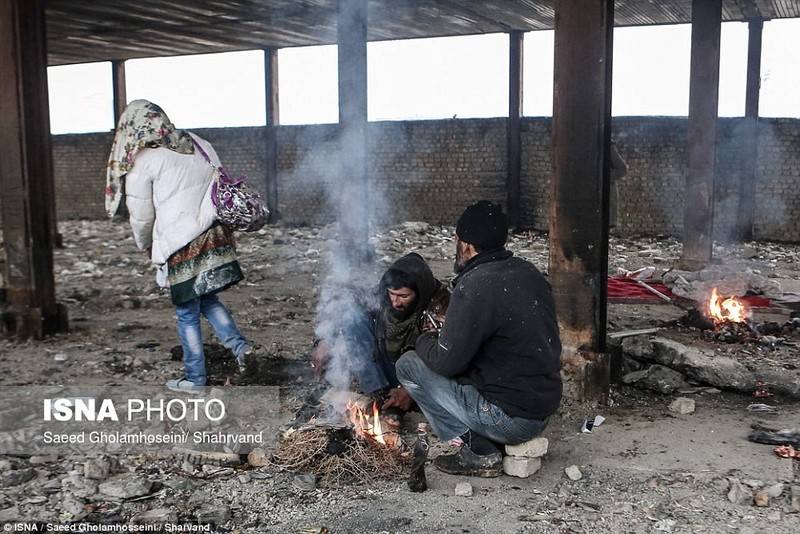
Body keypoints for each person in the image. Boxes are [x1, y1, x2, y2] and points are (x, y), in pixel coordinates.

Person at [396, 200, 562, 477]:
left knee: (409, 364)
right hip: (542, 407)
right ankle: (487, 438)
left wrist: (424, 338)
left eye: (457, 240)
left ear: (466, 244)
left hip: (511, 420)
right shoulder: (527, 271)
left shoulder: (475, 284)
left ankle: (478, 450)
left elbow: (446, 363)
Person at [105, 99, 253, 391]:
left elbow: (142, 216)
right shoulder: (199, 143)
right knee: (208, 300)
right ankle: (241, 349)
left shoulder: (144, 160)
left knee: (187, 313)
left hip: (179, 244)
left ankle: (195, 378)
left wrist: (146, 246)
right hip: (212, 236)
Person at [313, 252, 449, 421]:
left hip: (421, 377)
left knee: (418, 354)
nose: (395, 302)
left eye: (403, 296)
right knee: (352, 318)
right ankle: (380, 395)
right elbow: (345, 304)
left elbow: (444, 361)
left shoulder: (440, 307)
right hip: (388, 367)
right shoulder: (383, 295)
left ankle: (401, 401)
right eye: (392, 294)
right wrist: (325, 340)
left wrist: (410, 390)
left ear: (419, 292)